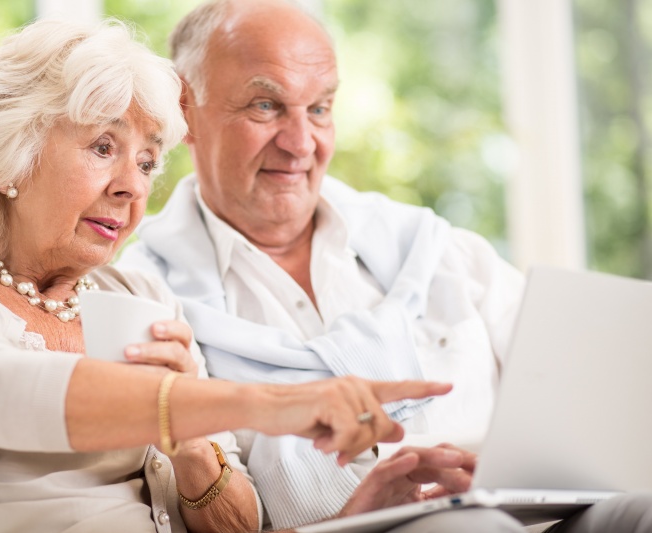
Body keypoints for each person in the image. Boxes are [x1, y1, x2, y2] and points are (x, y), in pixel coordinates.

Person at [0, 17, 452, 533]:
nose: (132, 186)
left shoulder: (139, 295)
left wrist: (195, 441)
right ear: (13, 151)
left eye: (146, 161)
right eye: (102, 147)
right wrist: (262, 403)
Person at [120, 1, 652, 532]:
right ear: (184, 110)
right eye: (266, 106)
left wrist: (511, 478)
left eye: (321, 108)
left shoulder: (434, 249)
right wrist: (354, 519)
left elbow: (585, 410)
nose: (302, 143)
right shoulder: (150, 305)